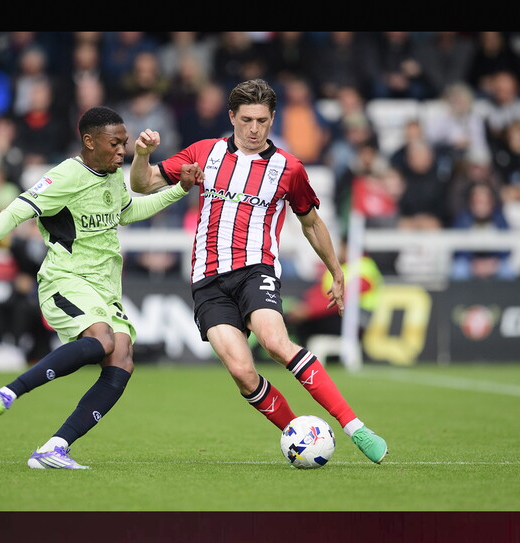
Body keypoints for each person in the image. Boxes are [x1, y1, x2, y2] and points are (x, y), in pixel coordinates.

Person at [129, 78, 388, 464]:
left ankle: (355, 427)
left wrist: (336, 271)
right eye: (247, 120)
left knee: (276, 343)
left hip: (256, 269)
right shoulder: (205, 152)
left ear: (272, 119)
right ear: (232, 116)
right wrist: (141, 155)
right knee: (242, 372)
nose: (254, 129)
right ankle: (299, 435)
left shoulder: (289, 168)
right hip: (208, 279)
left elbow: (311, 223)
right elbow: (142, 184)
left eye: (262, 121)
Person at [0, 106, 202, 469]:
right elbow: (17, 210)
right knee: (103, 339)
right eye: (114, 143)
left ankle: (54, 448)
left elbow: (127, 213)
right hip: (67, 279)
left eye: (124, 143)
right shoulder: (65, 176)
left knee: (122, 358)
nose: (121, 151)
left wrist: (179, 189)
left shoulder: (113, 176)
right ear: (89, 141)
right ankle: (10, 392)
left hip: (105, 287)